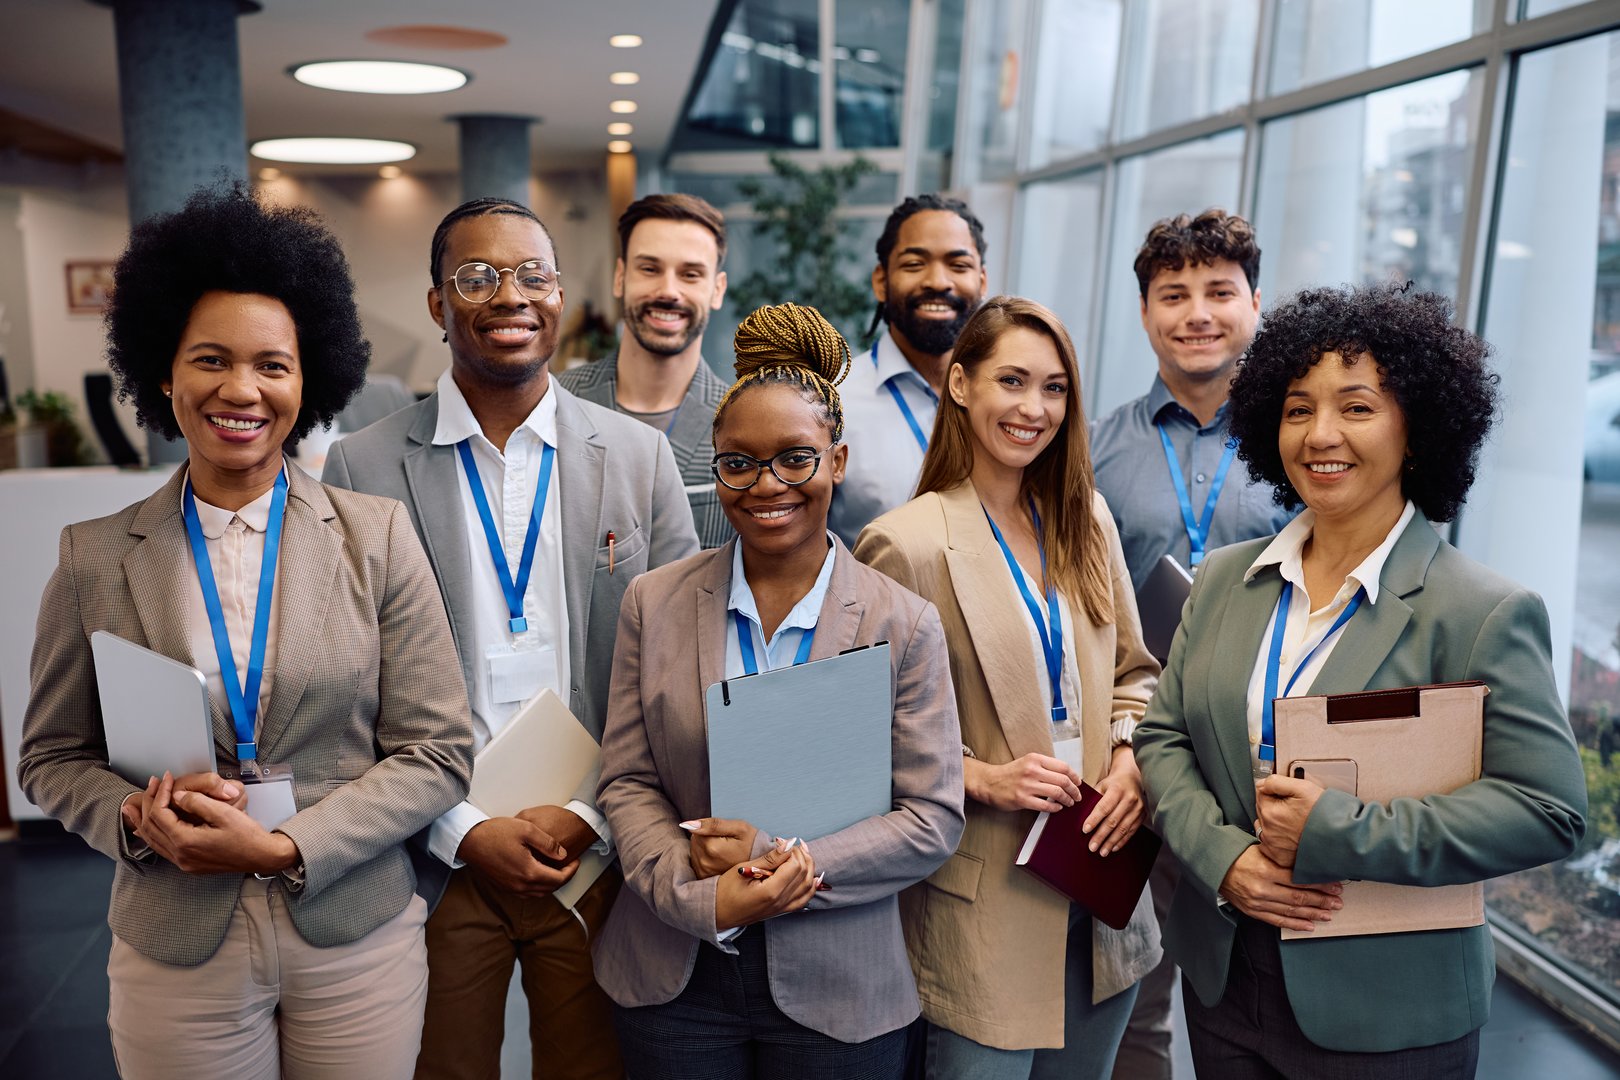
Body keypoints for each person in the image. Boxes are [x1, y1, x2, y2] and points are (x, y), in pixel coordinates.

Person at [17, 184, 474, 1079]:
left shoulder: (377, 538)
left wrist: (284, 845)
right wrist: (137, 821)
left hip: (352, 929)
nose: (241, 390)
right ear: (163, 373)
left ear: (307, 383)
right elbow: (51, 757)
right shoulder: (94, 557)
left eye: (272, 365)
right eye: (210, 360)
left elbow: (437, 752)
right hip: (174, 935)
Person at [1133, 283, 1588, 1078]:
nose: (1322, 435)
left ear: (1417, 430)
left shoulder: (1480, 611)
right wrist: (1224, 859)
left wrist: (1341, 833)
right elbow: (1163, 735)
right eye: (1298, 409)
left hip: (1391, 1010)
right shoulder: (1228, 579)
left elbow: (1547, 809)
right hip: (1225, 981)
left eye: (1357, 407)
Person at [322, 197, 700, 1080]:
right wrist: (459, 828)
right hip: (439, 852)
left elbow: (679, 670)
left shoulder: (637, 458)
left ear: (561, 295)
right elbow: (350, 683)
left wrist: (587, 811)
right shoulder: (362, 467)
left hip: (598, 845)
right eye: (477, 276)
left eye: (533, 275)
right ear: (436, 302)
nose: (510, 296)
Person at [592, 302, 965, 1079]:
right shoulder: (653, 603)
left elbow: (931, 818)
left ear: (838, 459)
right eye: (739, 463)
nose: (767, 486)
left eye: (795, 458)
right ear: (715, 468)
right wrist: (702, 899)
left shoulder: (904, 623)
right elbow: (628, 781)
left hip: (840, 986)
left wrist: (775, 864)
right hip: (675, 973)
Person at [855, 296, 1161, 1080]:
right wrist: (983, 777)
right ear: (960, 384)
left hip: (1100, 884)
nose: (1034, 408)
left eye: (1055, 388)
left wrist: (1129, 760)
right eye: (1013, 382)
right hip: (984, 898)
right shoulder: (906, 543)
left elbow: (1135, 675)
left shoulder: (1084, 518)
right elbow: (863, 738)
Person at [1088, 209, 1293, 1080]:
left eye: (1219, 292)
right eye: (1173, 295)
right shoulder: (1095, 449)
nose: (1196, 313)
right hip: (1134, 751)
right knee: (1132, 989)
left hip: (1266, 754)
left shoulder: (1301, 441)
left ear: (1255, 302)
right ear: (1144, 313)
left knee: (1259, 994)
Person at [557, 193, 734, 548]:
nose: (668, 291)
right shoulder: (557, 402)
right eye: (650, 269)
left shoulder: (740, 419)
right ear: (620, 277)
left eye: (690, 274)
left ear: (717, 290)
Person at [828, 194, 989, 547]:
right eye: (915, 264)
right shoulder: (832, 405)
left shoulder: (1009, 401)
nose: (938, 281)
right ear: (881, 280)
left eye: (958, 266)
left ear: (982, 282)